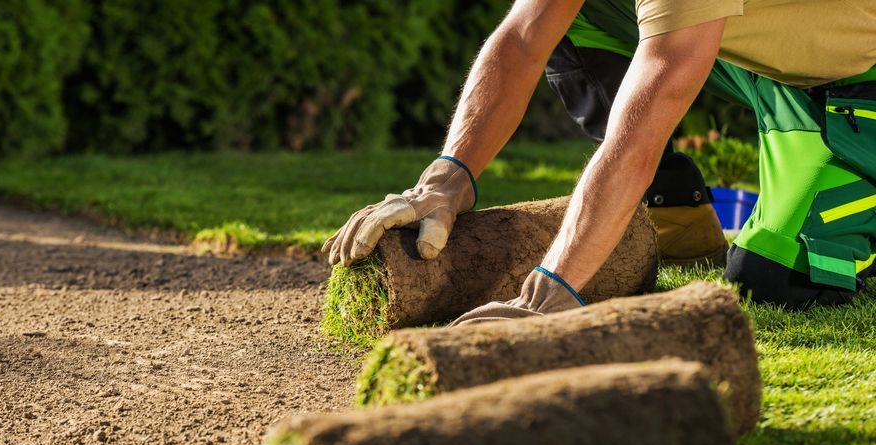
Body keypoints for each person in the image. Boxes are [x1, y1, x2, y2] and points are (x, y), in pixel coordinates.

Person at [322, 0, 876, 323]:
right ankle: (677, 216)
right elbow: (520, 40)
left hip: (858, 87)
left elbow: (650, 110)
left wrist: (553, 287)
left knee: (773, 278)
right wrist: (444, 181)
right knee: (574, 14)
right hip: (771, 57)